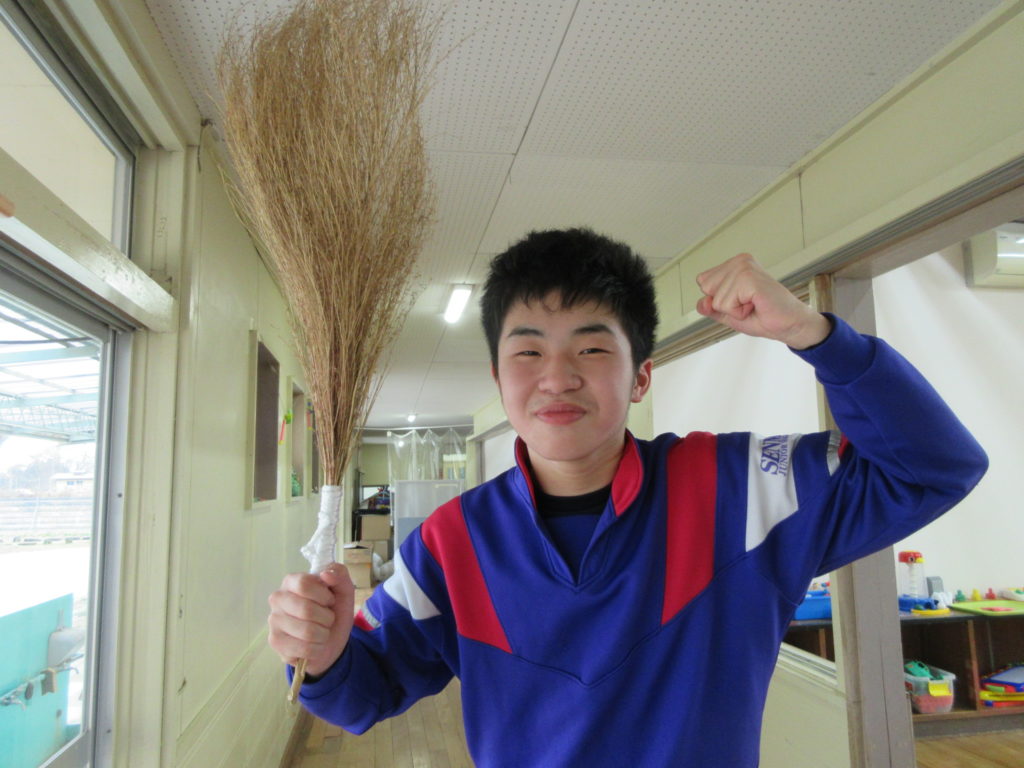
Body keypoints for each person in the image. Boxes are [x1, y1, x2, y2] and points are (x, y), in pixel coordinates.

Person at [268, 228, 987, 767]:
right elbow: (362, 693)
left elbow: (934, 468)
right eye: (528, 351)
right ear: (498, 376)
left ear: (641, 375)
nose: (557, 377)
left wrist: (815, 335)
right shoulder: (452, 541)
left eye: (591, 348)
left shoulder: (742, 489)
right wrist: (323, 656)